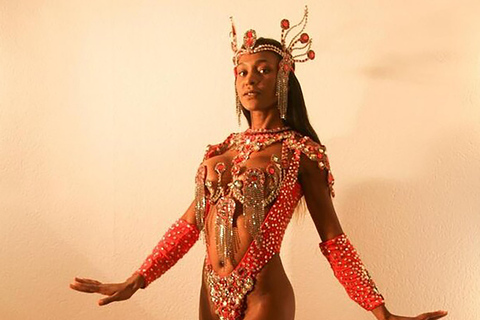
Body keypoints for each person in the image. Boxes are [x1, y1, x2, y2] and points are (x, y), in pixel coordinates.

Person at [70, 6, 448, 320]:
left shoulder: (302, 154)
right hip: (210, 290)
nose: (251, 80)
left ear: (284, 79)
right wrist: (137, 280)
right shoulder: (219, 151)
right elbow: (188, 226)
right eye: (243, 72)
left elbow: (333, 238)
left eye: (264, 70)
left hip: (265, 294)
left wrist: (381, 313)